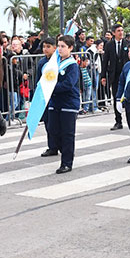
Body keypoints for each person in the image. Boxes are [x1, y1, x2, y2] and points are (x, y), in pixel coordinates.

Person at [47, 35, 80, 174]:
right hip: (55, 103)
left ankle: (67, 162)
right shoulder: (55, 63)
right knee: (53, 130)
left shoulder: (72, 65)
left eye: (63, 46)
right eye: (58, 46)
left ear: (70, 48)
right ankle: (61, 151)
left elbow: (68, 84)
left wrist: (51, 87)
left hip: (68, 103)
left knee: (67, 134)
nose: (60, 49)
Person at [101, 24, 128, 130]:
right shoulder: (109, 45)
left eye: (122, 30)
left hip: (126, 74)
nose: (121, 32)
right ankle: (118, 121)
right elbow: (105, 61)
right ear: (113, 33)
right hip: (114, 75)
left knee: (128, 97)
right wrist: (103, 76)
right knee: (116, 97)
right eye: (118, 31)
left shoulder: (127, 43)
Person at [37, 37, 60, 157]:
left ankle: (60, 145)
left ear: (54, 48)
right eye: (44, 47)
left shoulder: (58, 60)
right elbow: (38, 80)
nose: (45, 49)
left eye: (48, 47)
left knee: (57, 123)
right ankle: (52, 146)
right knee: (48, 123)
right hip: (45, 96)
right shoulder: (41, 62)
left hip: (56, 95)